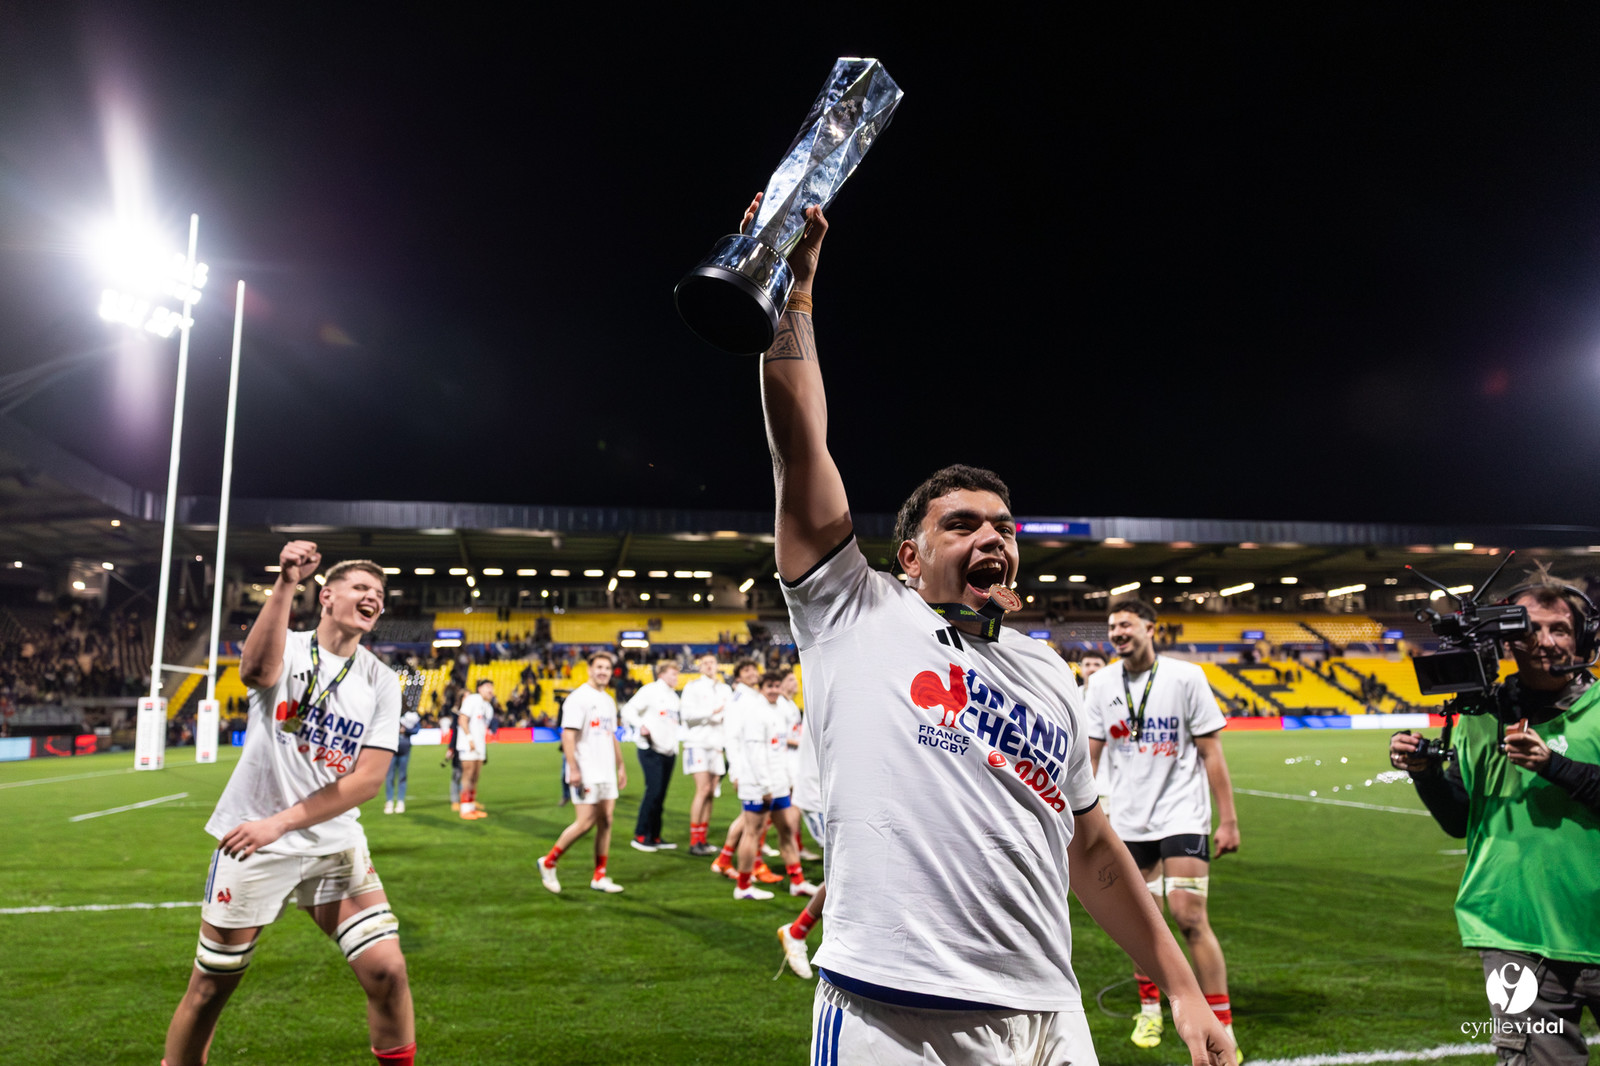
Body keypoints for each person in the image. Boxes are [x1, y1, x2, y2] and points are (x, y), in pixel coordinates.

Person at [745, 192, 1233, 1065]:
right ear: (907, 556)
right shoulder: (853, 611)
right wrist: (797, 293)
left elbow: (1094, 850)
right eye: (962, 524)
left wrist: (1187, 988)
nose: (992, 537)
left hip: (1050, 1012)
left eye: (1004, 526)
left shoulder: (1049, 673)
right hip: (893, 1013)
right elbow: (800, 442)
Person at [162, 542, 415, 1066]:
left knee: (388, 971)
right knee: (212, 986)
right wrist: (285, 582)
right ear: (326, 596)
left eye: (380, 594)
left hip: (331, 841)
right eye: (361, 588)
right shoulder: (292, 648)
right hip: (251, 842)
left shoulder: (384, 681)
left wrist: (281, 824)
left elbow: (368, 779)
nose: (373, 598)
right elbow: (254, 670)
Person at [1390, 574, 1600, 1065]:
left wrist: (1554, 766)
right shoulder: (1477, 716)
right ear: (1505, 639)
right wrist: (1425, 775)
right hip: (1515, 931)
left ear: (1584, 638)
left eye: (1560, 629)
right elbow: (1460, 817)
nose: (1545, 642)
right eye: (1529, 629)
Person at [1084, 599, 1241, 1057]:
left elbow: (1212, 752)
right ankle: (1151, 1010)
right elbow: (1092, 758)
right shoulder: (1099, 685)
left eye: (1126, 624)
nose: (1118, 632)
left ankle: (1223, 1024)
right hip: (1128, 820)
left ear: (1150, 627)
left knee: (1189, 917)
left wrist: (1228, 818)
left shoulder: (1186, 677)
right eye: (1112, 626)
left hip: (1182, 814)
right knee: (1143, 922)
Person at [537, 650, 628, 894]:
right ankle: (548, 862)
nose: (603, 672)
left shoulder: (608, 700)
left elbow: (612, 736)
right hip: (586, 770)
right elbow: (568, 735)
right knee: (585, 822)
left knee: (606, 821)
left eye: (607, 669)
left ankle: (599, 875)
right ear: (589, 669)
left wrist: (620, 766)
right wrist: (573, 768)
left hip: (606, 770)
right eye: (599, 667)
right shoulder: (578, 698)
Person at [730, 670, 816, 901]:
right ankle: (744, 886)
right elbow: (756, 753)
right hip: (758, 785)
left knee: (787, 830)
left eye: (777, 685)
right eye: (769, 686)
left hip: (777, 783)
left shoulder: (778, 711)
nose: (774, 690)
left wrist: (786, 781)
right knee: (752, 833)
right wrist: (765, 786)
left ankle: (797, 882)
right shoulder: (755, 712)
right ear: (761, 688)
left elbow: (780, 750)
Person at [621, 657, 682, 851]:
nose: (676, 677)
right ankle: (640, 835)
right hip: (651, 749)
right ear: (662, 673)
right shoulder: (650, 691)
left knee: (661, 795)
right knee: (653, 792)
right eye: (673, 673)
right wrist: (641, 726)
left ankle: (655, 836)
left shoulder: (674, 697)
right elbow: (628, 709)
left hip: (668, 751)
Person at [678, 652, 730, 856]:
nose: (709, 666)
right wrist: (713, 713)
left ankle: (703, 839)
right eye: (705, 663)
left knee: (711, 793)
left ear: (717, 665)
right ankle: (694, 842)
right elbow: (687, 716)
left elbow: (730, 714)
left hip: (717, 746)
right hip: (697, 743)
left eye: (712, 662)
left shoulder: (725, 689)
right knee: (702, 789)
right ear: (700, 667)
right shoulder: (692, 687)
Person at [455, 678, 493, 819]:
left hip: (480, 746)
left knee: (476, 776)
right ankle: (464, 808)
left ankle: (471, 806)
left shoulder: (488, 707)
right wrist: (470, 738)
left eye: (492, 687)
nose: (490, 690)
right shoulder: (472, 700)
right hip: (468, 744)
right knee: (468, 774)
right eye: (487, 687)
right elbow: (462, 719)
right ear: (480, 689)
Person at [382, 707, 421, 814]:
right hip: (392, 751)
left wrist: (406, 730)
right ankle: (389, 801)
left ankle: (400, 801)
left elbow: (417, 729)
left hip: (404, 750)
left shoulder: (410, 717)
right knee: (390, 776)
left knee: (402, 776)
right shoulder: (391, 715)